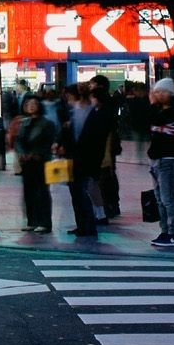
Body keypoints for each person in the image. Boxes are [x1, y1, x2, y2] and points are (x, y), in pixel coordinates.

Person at [146, 77, 174, 248]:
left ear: (168, 93)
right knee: (160, 198)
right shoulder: (160, 112)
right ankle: (165, 231)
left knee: (168, 197)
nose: (156, 95)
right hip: (157, 159)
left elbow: (154, 122)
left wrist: (151, 104)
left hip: (168, 159)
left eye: (159, 92)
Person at [58, 83, 105, 239]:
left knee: (81, 191)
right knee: (76, 192)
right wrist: (61, 144)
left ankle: (88, 225)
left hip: (85, 157)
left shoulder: (93, 112)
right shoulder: (72, 111)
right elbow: (65, 131)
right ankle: (83, 225)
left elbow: (97, 139)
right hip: (73, 155)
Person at [12, 94, 56, 233]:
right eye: (28, 104)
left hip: (40, 161)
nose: (31, 106)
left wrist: (37, 153)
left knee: (42, 192)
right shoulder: (24, 123)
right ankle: (32, 221)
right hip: (27, 163)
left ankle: (44, 222)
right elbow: (18, 140)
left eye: (34, 104)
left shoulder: (46, 123)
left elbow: (49, 142)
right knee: (28, 192)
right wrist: (21, 153)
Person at [90, 76, 122, 222]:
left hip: (105, 148)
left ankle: (108, 206)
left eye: (92, 84)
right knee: (108, 176)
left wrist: (107, 152)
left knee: (105, 177)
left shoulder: (104, 109)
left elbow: (108, 131)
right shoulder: (106, 106)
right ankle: (111, 205)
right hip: (106, 148)